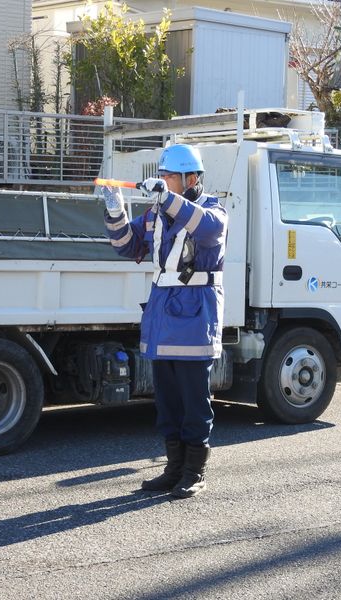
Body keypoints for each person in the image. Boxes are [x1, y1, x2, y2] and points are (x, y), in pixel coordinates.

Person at [102, 144, 228, 498]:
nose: (163, 182)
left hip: (194, 315)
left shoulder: (213, 209)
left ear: (191, 179)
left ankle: (194, 472)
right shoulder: (157, 213)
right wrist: (117, 212)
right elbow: (128, 247)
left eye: (169, 177)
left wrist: (166, 200)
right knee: (167, 402)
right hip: (162, 314)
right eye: (162, 176)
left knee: (194, 402)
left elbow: (204, 229)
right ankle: (172, 469)